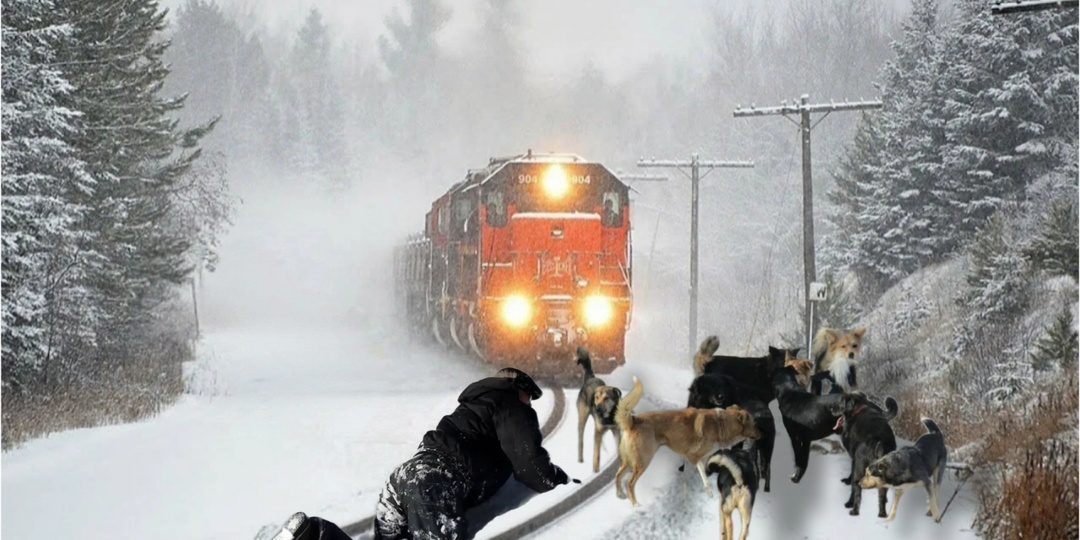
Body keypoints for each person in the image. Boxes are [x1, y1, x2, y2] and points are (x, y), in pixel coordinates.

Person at [271, 368, 574, 540]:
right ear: (518, 389)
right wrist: (556, 480)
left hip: (405, 478)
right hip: (435, 483)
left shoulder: (473, 407)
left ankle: (312, 535)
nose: (530, 405)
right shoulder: (509, 401)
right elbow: (528, 461)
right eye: (529, 399)